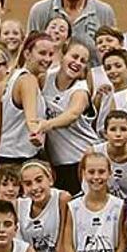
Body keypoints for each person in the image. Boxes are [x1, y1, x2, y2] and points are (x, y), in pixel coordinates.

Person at [49, 152, 124, 252]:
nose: (96, 177)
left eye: (101, 172)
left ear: (109, 173)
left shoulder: (119, 205)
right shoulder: (74, 206)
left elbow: (123, 245)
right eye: (91, 172)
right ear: (83, 174)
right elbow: (68, 245)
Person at [41, 40, 98, 194]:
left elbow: (71, 115)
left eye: (83, 61)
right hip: (57, 162)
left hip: (81, 159)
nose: (77, 62)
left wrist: (44, 125)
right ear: (63, 56)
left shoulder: (80, 90)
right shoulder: (45, 79)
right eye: (74, 56)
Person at [0, 33, 52, 170]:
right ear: (27, 54)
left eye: (50, 54)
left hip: (3, 156)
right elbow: (32, 121)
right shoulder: (28, 80)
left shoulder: (11, 77)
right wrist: (36, 133)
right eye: (42, 53)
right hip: (17, 160)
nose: (47, 59)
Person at [16, 161, 71, 252]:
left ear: (50, 180)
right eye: (28, 184)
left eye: (39, 180)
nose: (35, 187)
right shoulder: (18, 205)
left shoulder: (62, 199)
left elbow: (63, 243)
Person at [89, 111, 127, 200]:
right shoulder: (93, 152)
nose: (118, 134)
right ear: (105, 133)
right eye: (113, 129)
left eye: (123, 129)